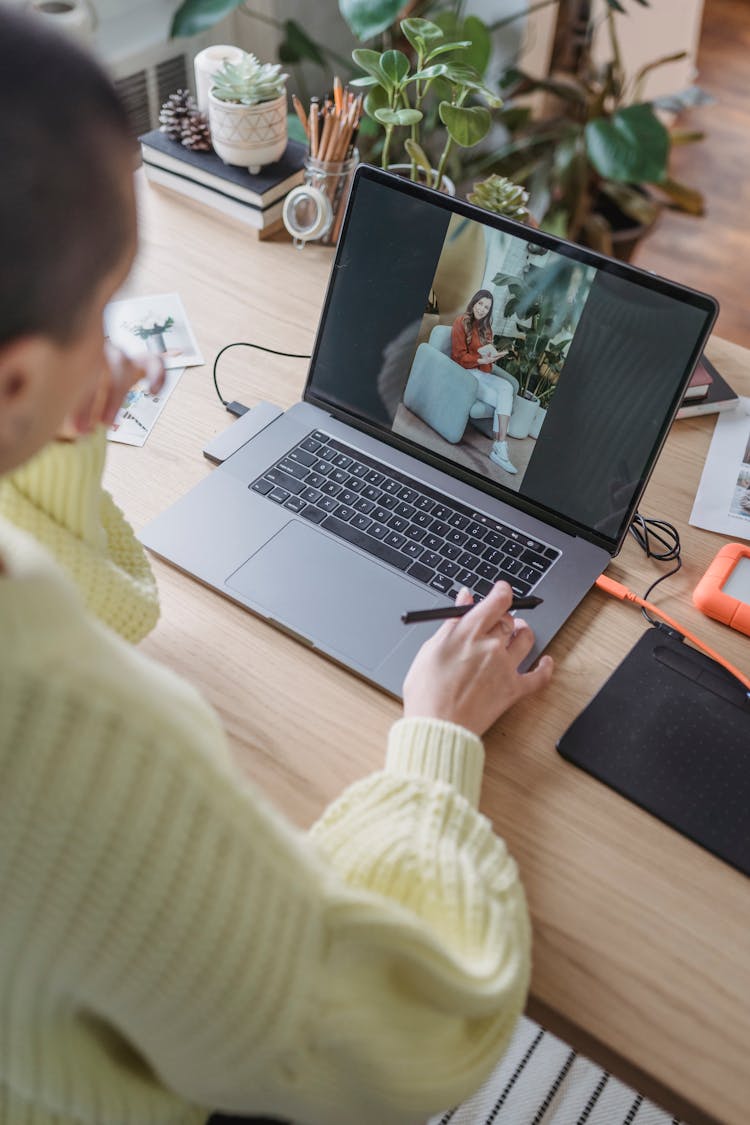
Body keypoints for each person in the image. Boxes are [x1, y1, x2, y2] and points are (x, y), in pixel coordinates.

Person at [0, 11, 554, 1125]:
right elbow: (391, 1036)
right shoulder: (61, 728)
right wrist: (435, 744)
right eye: (101, 302)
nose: (116, 343)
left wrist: (52, 422)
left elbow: (103, 599)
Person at [451, 290, 518, 475]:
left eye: (486, 307)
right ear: (474, 303)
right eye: (480, 304)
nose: (482, 309)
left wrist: (490, 358)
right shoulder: (461, 322)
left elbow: (485, 366)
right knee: (502, 401)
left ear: (489, 311)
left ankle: (500, 445)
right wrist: (480, 360)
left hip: (480, 371)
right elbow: (458, 357)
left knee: (507, 388)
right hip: (465, 374)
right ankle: (500, 449)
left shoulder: (486, 329)